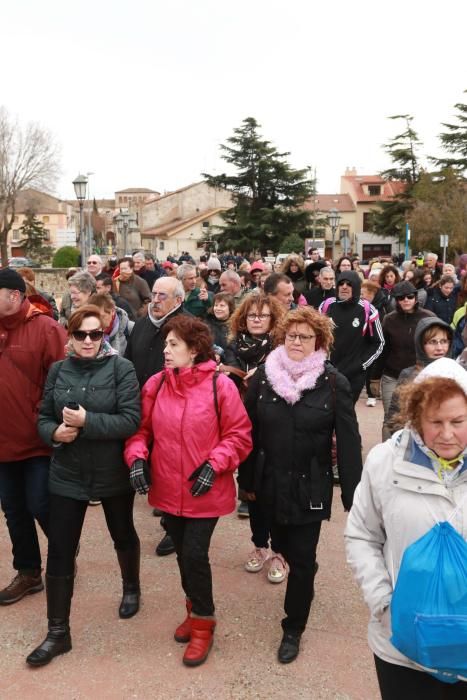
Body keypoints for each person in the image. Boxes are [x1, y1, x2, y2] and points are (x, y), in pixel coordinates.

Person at [124, 315, 252, 667]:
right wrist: (136, 458)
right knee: (182, 554)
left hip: (205, 489)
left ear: (194, 350)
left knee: (194, 554)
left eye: (173, 345)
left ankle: (204, 623)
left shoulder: (220, 386)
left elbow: (239, 435)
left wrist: (215, 463)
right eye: (166, 344)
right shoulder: (155, 384)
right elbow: (141, 432)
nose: (165, 350)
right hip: (167, 487)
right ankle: (194, 608)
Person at [240, 306, 362, 663]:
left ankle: (293, 627)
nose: (296, 341)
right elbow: (247, 430)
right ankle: (296, 565)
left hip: (311, 484)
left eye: (305, 336)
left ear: (319, 342)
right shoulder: (264, 376)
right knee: (284, 546)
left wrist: (353, 497)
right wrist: (245, 480)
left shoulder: (333, 383)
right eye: (291, 335)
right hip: (267, 482)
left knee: (303, 559)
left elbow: (350, 442)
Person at [26, 305, 141, 667]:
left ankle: (131, 586)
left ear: (104, 334)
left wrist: (89, 420)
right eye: (81, 335)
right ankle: (58, 632)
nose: (88, 341)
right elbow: (43, 417)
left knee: (122, 533)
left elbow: (130, 420)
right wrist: (54, 433)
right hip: (67, 473)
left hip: (111, 473)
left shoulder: (122, 368)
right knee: (60, 549)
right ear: (70, 336)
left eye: (95, 334)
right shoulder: (59, 370)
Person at [345, 358, 467, 698]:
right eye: (435, 421)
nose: (446, 434)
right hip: (400, 646)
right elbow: (362, 535)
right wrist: (384, 604)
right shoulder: (385, 462)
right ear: (415, 417)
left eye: (458, 421)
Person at [0, 270, 67, 606]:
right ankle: (28, 572)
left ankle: (63, 551)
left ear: (14, 295)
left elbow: (64, 380)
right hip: (2, 442)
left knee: (39, 502)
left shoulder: (47, 328)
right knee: (13, 510)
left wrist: (44, 418)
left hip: (38, 440)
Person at [124, 275, 185, 557]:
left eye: (163, 296)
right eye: (155, 295)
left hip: (176, 410)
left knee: (173, 467)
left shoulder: (187, 327)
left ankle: (173, 527)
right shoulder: (142, 325)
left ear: (178, 300)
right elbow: (129, 362)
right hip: (143, 406)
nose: (156, 300)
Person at [222, 291, 285, 534]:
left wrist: (260, 372)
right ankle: (246, 495)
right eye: (251, 316)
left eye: (262, 316)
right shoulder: (234, 344)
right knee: (244, 447)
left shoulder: (279, 345)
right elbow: (231, 365)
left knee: (267, 449)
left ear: (272, 319)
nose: (256, 320)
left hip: (270, 406)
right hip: (239, 404)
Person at [372, 280, 436, 440]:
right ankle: (387, 454)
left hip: (420, 376)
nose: (406, 300)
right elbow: (382, 350)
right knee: (391, 418)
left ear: (415, 297)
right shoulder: (389, 320)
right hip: (392, 375)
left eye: (409, 296)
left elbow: (437, 348)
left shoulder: (428, 318)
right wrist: (374, 378)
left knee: (418, 417)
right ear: (396, 300)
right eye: (401, 298)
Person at [320, 270, 384, 403]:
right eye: (341, 283)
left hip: (353, 374)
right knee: (323, 412)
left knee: (346, 413)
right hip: (327, 371)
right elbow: (314, 336)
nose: (344, 287)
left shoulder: (368, 310)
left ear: (356, 287)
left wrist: (362, 365)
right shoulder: (326, 306)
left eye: (349, 284)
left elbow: (379, 342)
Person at [386, 317, 453, 434]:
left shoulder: (456, 371)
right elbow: (395, 415)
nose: (439, 348)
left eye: (444, 341)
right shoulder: (410, 375)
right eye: (432, 342)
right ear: (421, 345)